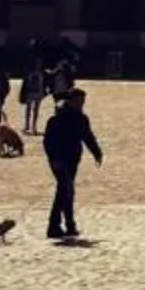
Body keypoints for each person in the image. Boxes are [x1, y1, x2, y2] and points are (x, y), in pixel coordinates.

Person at [43, 86, 102, 242]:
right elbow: (49, 142)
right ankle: (57, 225)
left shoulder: (81, 118)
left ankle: (64, 225)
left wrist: (97, 152)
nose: (81, 104)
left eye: (83, 101)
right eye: (79, 101)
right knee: (66, 189)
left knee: (65, 191)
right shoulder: (57, 119)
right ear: (71, 101)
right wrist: (54, 159)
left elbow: (88, 136)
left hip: (73, 159)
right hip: (59, 160)